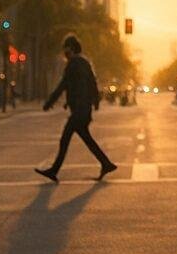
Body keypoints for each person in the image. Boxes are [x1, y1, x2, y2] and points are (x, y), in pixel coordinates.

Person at [35, 34, 117, 181]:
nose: (64, 53)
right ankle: (106, 163)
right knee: (86, 139)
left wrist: (49, 102)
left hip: (79, 111)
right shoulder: (85, 62)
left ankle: (54, 170)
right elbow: (90, 83)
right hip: (84, 109)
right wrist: (94, 102)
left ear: (71, 49)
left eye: (65, 49)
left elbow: (64, 85)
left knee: (65, 139)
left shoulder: (73, 64)